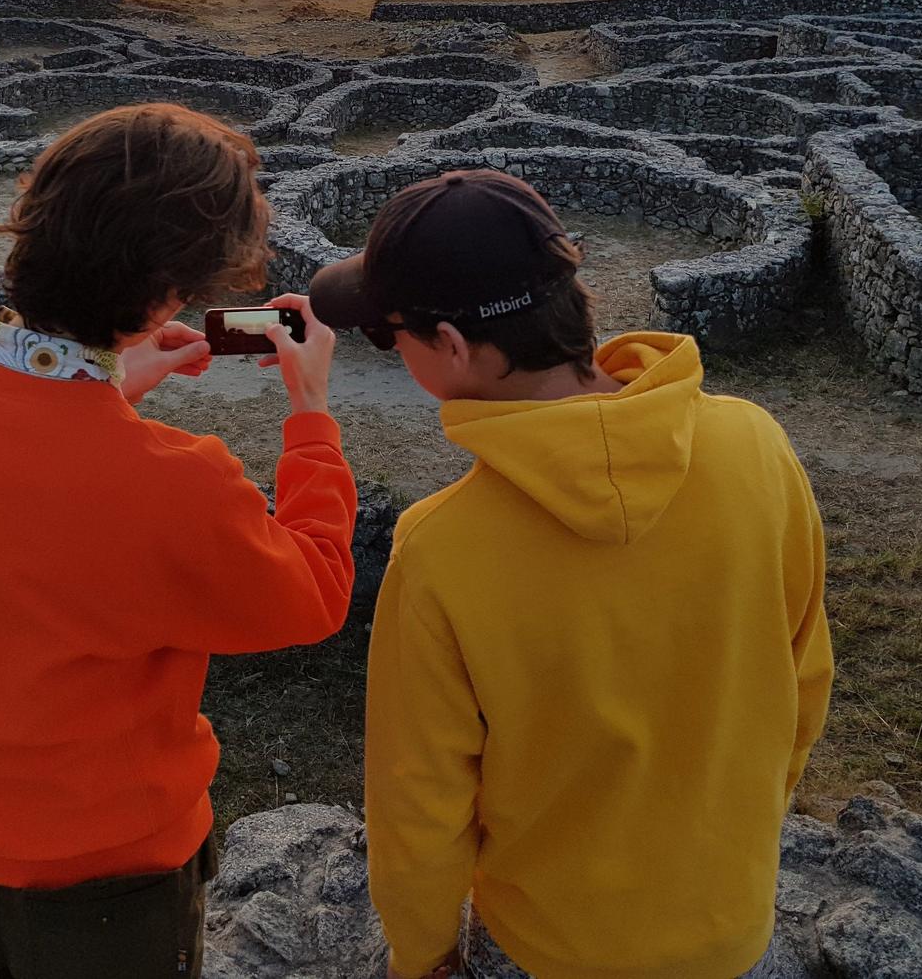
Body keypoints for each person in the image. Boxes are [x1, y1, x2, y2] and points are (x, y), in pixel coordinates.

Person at [0, 103, 356, 979]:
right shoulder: (175, 481)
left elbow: (25, 491)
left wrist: (113, 383)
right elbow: (313, 594)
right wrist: (311, 416)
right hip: (112, 885)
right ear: (168, 295)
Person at [309, 169, 831, 979]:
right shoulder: (756, 446)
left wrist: (422, 954)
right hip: (732, 927)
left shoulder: (441, 548)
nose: (390, 348)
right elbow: (804, 681)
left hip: (550, 948)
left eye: (388, 335)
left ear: (448, 345)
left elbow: (420, 810)